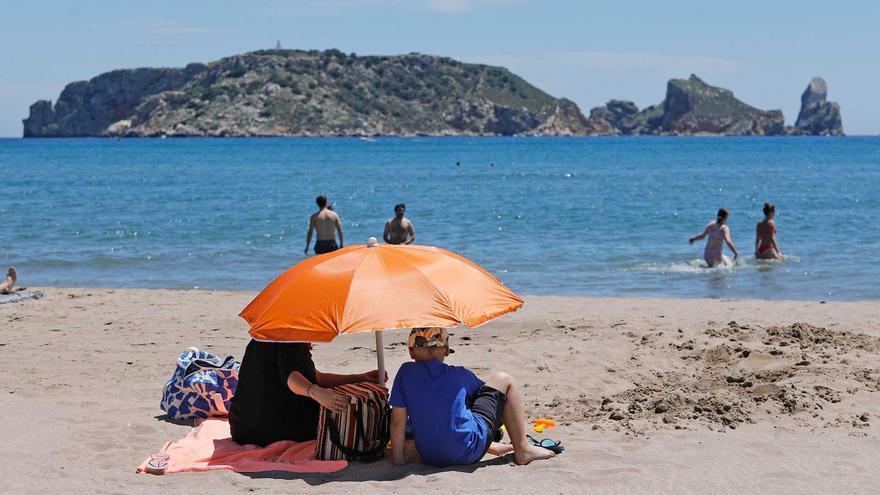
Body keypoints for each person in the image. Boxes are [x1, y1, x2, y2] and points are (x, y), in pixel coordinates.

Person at [390, 327, 555, 467]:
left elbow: (397, 421)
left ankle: (492, 446)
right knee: (503, 380)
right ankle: (523, 449)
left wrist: (398, 461)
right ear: (446, 350)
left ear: (411, 351)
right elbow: (488, 395)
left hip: (430, 456)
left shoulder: (405, 373)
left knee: (433, 414)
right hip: (469, 451)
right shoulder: (459, 374)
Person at [228, 339, 384, 446]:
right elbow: (291, 377)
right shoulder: (291, 339)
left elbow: (316, 377)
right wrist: (316, 393)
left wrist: (359, 378)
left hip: (241, 428)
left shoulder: (262, 338)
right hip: (267, 431)